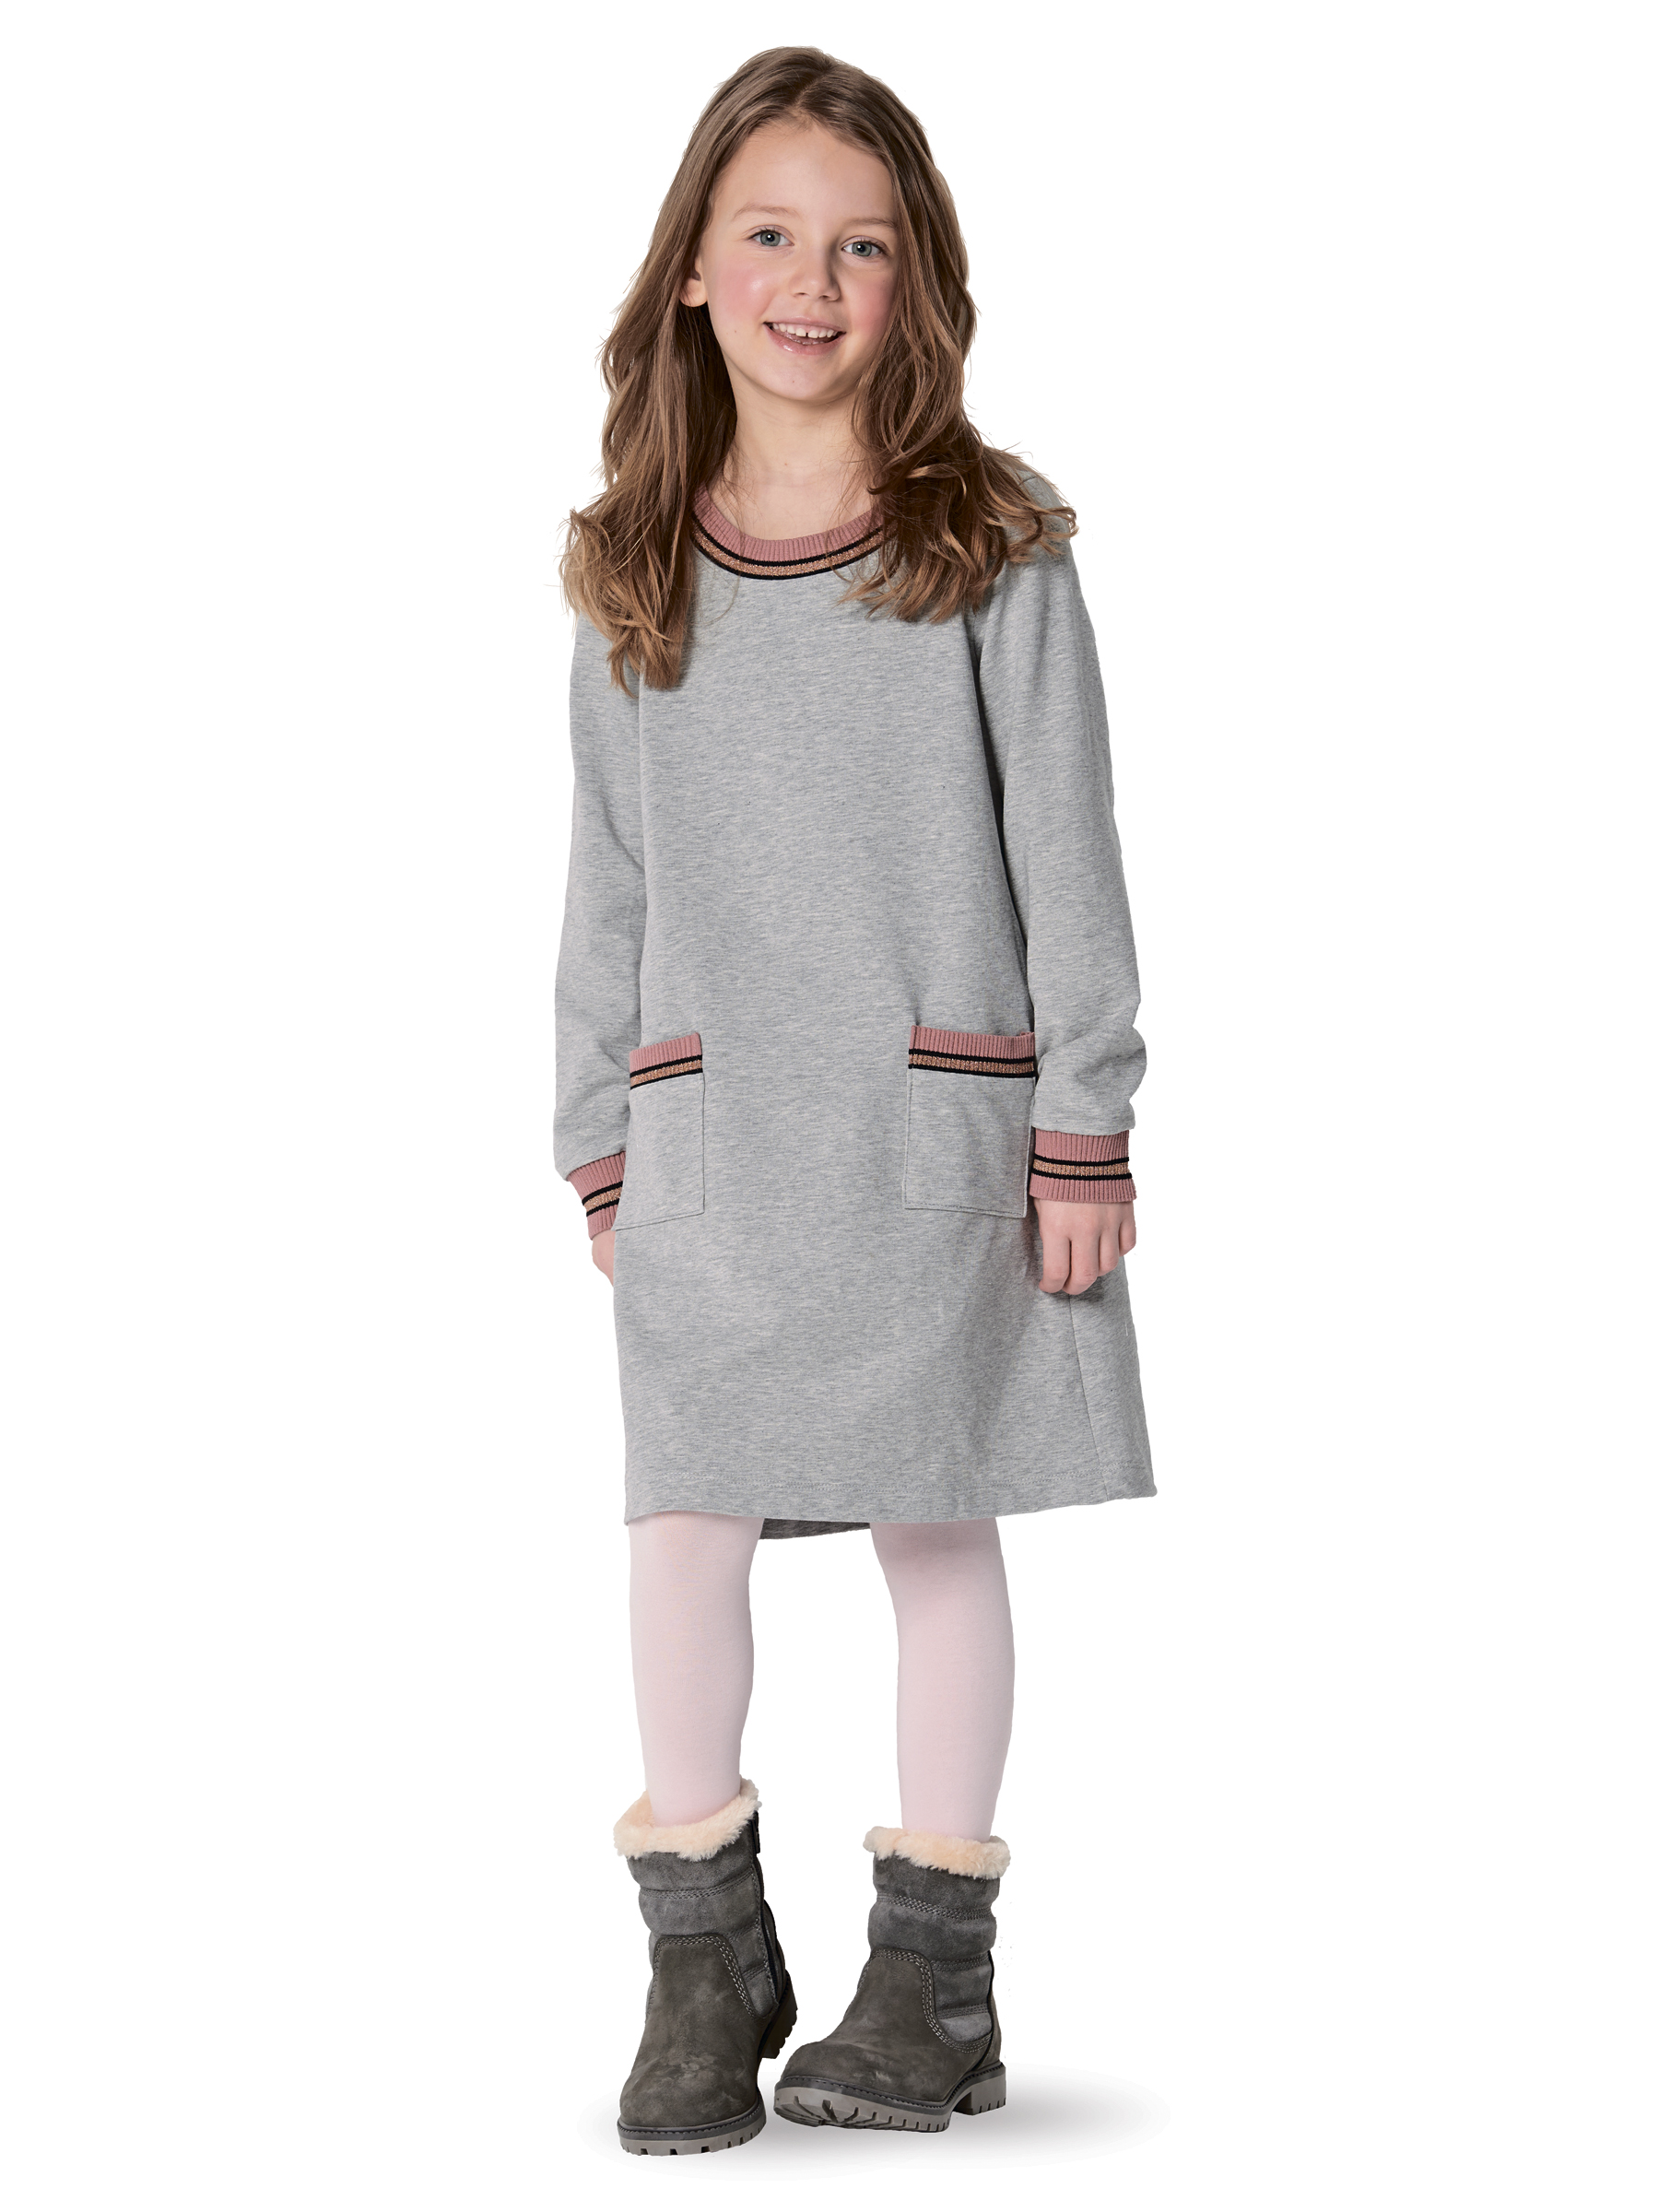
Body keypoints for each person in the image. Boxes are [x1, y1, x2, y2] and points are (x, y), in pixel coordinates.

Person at [554, 45, 1154, 2155]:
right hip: (713, 1137)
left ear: (919, 282)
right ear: (693, 272)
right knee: (683, 1521)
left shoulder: (992, 544)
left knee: (936, 1506)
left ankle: (932, 1975)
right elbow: (612, 882)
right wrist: (594, 1132)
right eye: (771, 236)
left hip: (936, 1132)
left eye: (863, 246)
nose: (813, 283)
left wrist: (1084, 1125)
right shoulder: (633, 567)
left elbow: (1068, 858)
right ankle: (702, 1959)